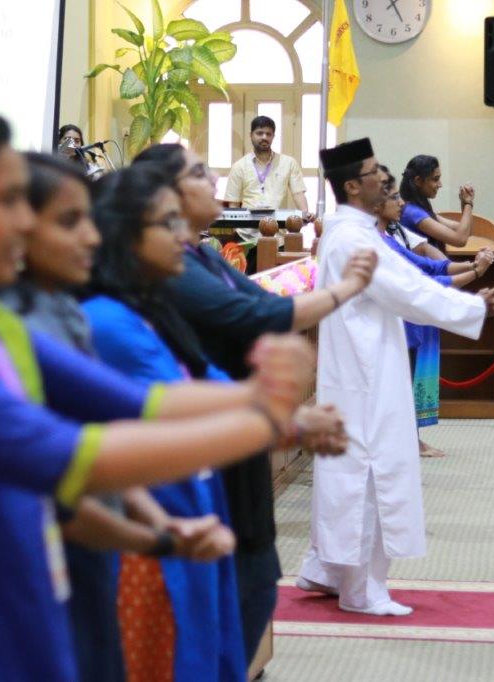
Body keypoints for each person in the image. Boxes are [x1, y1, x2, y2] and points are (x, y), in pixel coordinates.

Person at [0, 104, 319, 681]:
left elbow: (135, 404)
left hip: (13, 619)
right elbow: (71, 457)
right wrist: (265, 417)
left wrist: (257, 404)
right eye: (7, 201)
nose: (24, 223)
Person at [81, 164, 349, 681]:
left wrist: (287, 416)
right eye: (167, 223)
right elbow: (155, 407)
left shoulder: (150, 302)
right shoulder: (107, 320)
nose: (181, 235)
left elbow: (204, 380)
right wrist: (273, 412)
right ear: (124, 234)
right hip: (154, 520)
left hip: (193, 507)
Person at [0, 152, 236, 682]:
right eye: (70, 222)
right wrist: (270, 412)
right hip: (56, 548)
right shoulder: (53, 321)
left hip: (122, 522)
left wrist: (159, 527)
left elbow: (97, 435)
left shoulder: (71, 310)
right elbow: (129, 415)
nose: (90, 237)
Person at [132, 142, 376, 657]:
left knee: (257, 574)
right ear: (163, 197)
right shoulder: (168, 271)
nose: (214, 180)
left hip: (238, 424)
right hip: (206, 441)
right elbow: (254, 318)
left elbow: (263, 304)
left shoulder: (201, 254)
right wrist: (344, 289)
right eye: (198, 173)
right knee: (229, 592)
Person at [296, 137, 494, 617]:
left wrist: (467, 302)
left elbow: (411, 280)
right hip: (365, 371)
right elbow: (405, 292)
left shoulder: (360, 231)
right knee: (369, 473)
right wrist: (471, 307)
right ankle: (361, 591)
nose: (383, 179)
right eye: (374, 173)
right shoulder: (351, 237)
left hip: (366, 363)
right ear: (353, 185)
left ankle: (328, 570)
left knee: (354, 469)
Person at [377, 167, 494, 457]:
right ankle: (403, 444)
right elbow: (421, 277)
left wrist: (472, 268)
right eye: (394, 198)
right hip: (396, 322)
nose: (401, 203)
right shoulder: (379, 238)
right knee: (395, 390)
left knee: (407, 384)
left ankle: (408, 442)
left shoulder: (390, 233)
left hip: (411, 318)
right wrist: (473, 272)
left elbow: (430, 264)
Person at [224, 115, 313, 220]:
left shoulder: (288, 163)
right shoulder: (239, 166)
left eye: (268, 134)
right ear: (251, 135)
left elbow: (298, 193)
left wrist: (305, 214)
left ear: (273, 136)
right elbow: (233, 203)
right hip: (247, 228)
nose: (264, 137)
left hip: (278, 226)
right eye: (259, 133)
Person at [399, 154, 476, 250]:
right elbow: (460, 239)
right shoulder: (413, 213)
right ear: (418, 181)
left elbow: (467, 232)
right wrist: (468, 203)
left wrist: (464, 204)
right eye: (435, 179)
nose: (440, 184)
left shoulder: (419, 210)